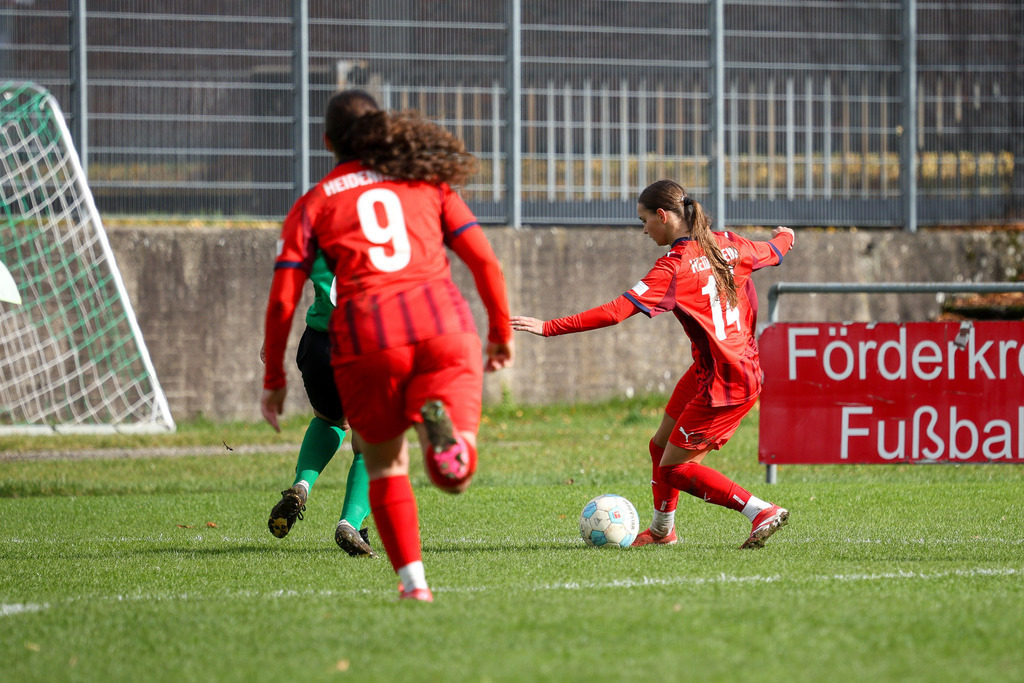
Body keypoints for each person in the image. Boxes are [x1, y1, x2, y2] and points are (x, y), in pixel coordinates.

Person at [261, 89, 514, 602]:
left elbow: (283, 300)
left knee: (383, 462)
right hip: (444, 326)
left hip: (365, 337)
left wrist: (273, 381)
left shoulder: (315, 203)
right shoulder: (425, 181)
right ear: (382, 129)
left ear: (328, 140)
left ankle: (414, 586)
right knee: (454, 478)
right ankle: (451, 447)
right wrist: (500, 333)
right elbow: (485, 262)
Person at [511, 179, 794, 550]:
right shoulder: (731, 244)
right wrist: (787, 235)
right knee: (660, 446)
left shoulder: (674, 268)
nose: (643, 229)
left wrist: (549, 327)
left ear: (663, 216)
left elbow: (616, 312)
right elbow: (775, 249)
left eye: (644, 220)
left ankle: (760, 510)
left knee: (675, 468)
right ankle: (663, 531)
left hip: (728, 382)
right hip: (711, 371)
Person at [260, 247, 376, 558]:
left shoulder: (317, 237)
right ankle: (350, 523)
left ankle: (301, 486)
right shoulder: (386, 233)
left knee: (329, 419)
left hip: (318, 346)